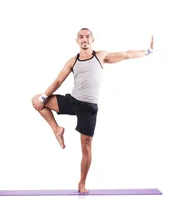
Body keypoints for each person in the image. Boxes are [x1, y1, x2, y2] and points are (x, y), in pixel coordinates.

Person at [31, 28, 154, 194]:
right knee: (36, 99)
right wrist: (44, 98)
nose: (84, 39)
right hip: (73, 102)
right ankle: (56, 129)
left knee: (86, 147)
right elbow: (59, 80)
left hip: (89, 107)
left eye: (87, 37)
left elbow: (126, 54)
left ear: (92, 39)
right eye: (81, 37)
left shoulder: (101, 56)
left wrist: (147, 51)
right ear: (77, 41)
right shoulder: (72, 61)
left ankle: (82, 183)